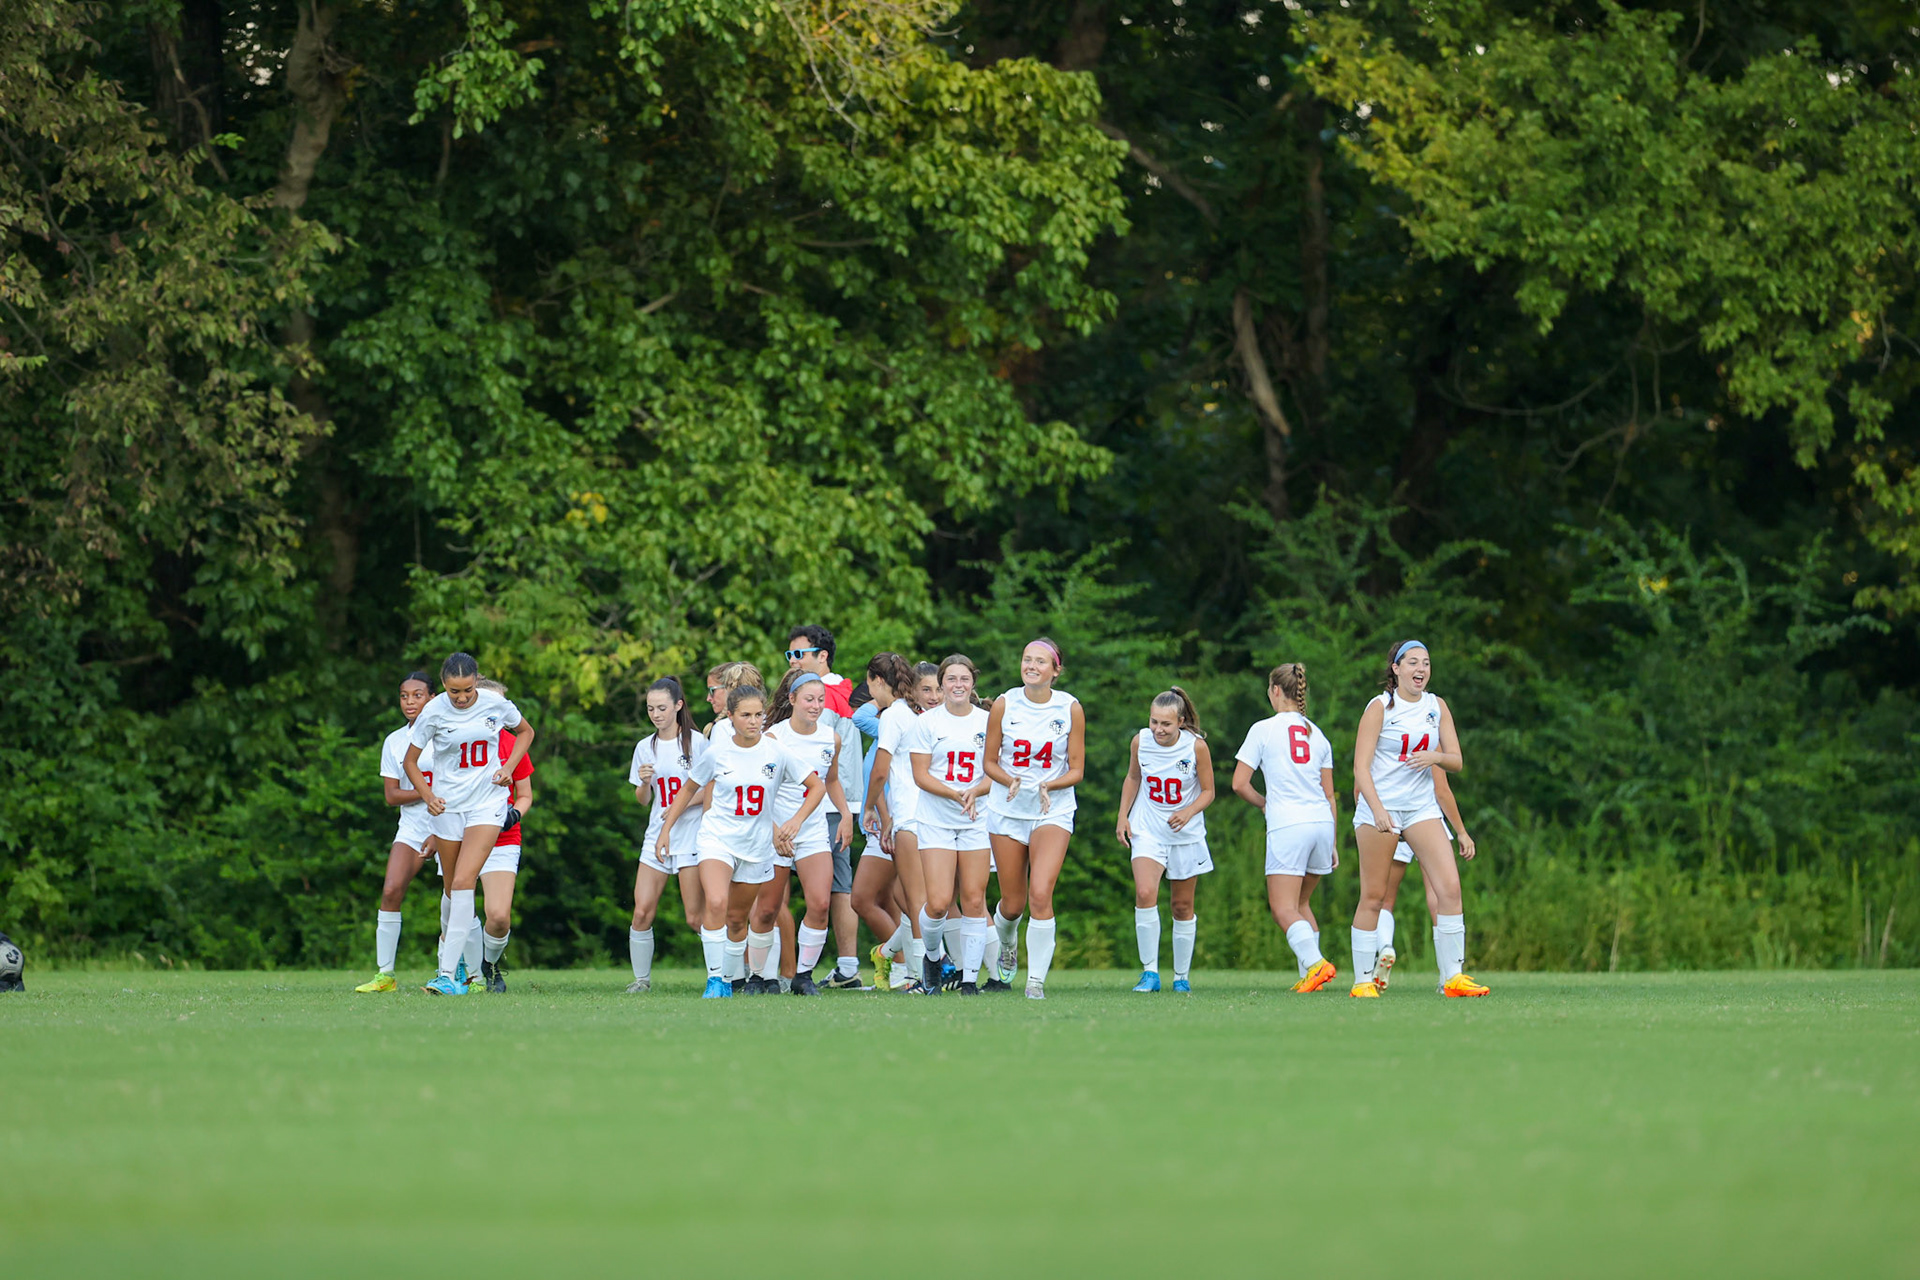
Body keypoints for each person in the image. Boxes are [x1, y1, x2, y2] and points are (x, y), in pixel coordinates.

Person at [654, 684, 825, 998]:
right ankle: (714, 980)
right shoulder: (717, 752)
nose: (753, 721)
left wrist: (796, 821)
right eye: (746, 715)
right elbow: (689, 789)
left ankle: (729, 979)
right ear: (730, 716)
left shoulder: (776, 751)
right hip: (717, 838)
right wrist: (666, 830)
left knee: (736, 920)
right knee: (716, 902)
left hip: (756, 845)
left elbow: (817, 786)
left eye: (758, 714)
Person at [1349, 640, 1485, 997]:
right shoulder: (1380, 707)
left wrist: (1434, 757)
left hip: (1421, 808)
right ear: (1396, 669)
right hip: (1381, 808)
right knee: (1374, 896)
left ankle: (1452, 978)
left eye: (1425, 662)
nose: (1420, 669)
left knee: (1449, 888)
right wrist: (1378, 809)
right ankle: (1362, 981)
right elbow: (1360, 767)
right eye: (1412, 662)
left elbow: (1456, 760)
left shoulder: (1436, 706)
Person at [403, 653, 535, 996]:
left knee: (464, 881)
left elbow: (526, 732)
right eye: (454, 691)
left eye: (467, 690)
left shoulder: (494, 703)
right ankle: (467, 971)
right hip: (449, 806)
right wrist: (428, 795)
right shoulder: (433, 712)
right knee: (452, 890)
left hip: (486, 804)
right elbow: (410, 762)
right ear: (443, 686)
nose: (461, 698)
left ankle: (448, 976)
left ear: (477, 681)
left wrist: (508, 768)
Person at [983, 638, 1085, 1000]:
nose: (1031, 666)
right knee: (1013, 904)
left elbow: (1076, 769)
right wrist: (1008, 779)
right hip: (1008, 810)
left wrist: (1050, 785)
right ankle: (1008, 941)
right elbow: (989, 762)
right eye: (1027, 659)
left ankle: (1035, 982)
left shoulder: (1070, 708)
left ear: (1055, 670)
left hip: (1051, 809)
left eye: (1040, 661)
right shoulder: (1004, 704)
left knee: (1041, 893)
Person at [1232, 663, 1340, 994]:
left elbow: (1239, 784)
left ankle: (1316, 964)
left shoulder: (1263, 729)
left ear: (1276, 690)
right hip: (1322, 824)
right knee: (1301, 904)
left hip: (1289, 824)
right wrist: (1333, 841)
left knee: (1282, 908)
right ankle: (1312, 979)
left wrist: (1264, 803)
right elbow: (1329, 794)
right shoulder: (1317, 734)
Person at [1116, 688, 1216, 993]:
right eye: (1154, 721)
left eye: (1166, 724)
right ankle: (1149, 973)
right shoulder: (1140, 741)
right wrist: (1123, 816)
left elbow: (1209, 792)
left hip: (1185, 835)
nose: (1158, 729)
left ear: (1181, 722)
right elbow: (1133, 778)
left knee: (1182, 906)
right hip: (1148, 828)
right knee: (1145, 892)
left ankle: (1181, 977)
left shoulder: (1196, 747)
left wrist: (1187, 812)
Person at [785, 626, 866, 989]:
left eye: (799, 654)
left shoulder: (825, 697)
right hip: (833, 802)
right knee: (836, 885)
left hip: (824, 805)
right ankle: (844, 967)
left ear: (822, 656)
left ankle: (804, 970)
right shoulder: (842, 692)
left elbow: (819, 762)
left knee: (831, 887)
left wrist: (844, 810)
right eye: (789, 655)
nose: (793, 661)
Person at [765, 670, 855, 995]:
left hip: (812, 829)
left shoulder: (831, 738)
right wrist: (774, 829)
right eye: (809, 700)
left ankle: (803, 976)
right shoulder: (773, 738)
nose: (816, 706)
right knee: (768, 908)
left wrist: (845, 814)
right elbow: (762, 789)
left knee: (819, 903)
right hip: (776, 830)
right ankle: (763, 977)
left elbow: (831, 781)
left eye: (820, 700)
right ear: (792, 700)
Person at [908, 655, 994, 995]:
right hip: (936, 819)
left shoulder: (988, 721)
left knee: (974, 899)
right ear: (942, 683)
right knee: (940, 902)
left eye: (964, 679)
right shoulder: (927, 722)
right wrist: (955, 794)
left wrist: (976, 791)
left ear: (973, 683)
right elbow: (920, 775)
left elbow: (996, 771)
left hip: (976, 818)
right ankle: (932, 957)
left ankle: (969, 979)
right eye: (951, 679)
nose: (958, 685)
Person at [626, 676, 709, 993]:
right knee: (642, 911)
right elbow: (643, 800)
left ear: (678, 706)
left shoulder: (697, 743)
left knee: (695, 917)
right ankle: (641, 980)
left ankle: (728, 973)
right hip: (656, 836)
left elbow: (712, 789)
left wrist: (680, 805)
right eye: (651, 709)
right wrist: (645, 782)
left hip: (691, 835)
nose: (656, 714)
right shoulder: (644, 747)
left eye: (662, 708)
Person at [356, 672, 436, 992]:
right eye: (404, 696)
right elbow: (391, 795)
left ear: (432, 698)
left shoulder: (448, 735)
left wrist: (436, 801)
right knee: (390, 891)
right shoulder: (395, 741)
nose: (410, 702)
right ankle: (385, 975)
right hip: (413, 827)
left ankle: (466, 974)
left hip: (451, 825)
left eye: (418, 695)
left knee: (456, 896)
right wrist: (428, 794)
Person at [851, 653, 926, 993]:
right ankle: (911, 968)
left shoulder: (894, 715)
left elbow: (880, 771)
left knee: (915, 899)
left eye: (869, 683)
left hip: (908, 815)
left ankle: (921, 976)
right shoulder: (914, 712)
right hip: (927, 814)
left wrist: (869, 808)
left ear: (878, 681)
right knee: (904, 895)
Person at [1374, 768, 1474, 990]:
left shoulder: (1379, 747)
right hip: (1425, 819)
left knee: (1384, 899)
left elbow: (1360, 787)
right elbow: (1442, 790)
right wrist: (1461, 831)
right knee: (1440, 897)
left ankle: (1385, 946)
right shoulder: (1426, 745)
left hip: (1390, 818)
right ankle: (1448, 976)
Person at [472, 677, 535, 994]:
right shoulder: (457, 740)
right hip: (462, 836)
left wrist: (512, 815)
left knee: (498, 917)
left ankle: (491, 963)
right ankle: (454, 971)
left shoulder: (512, 743)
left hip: (502, 838)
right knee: (456, 911)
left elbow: (525, 796)